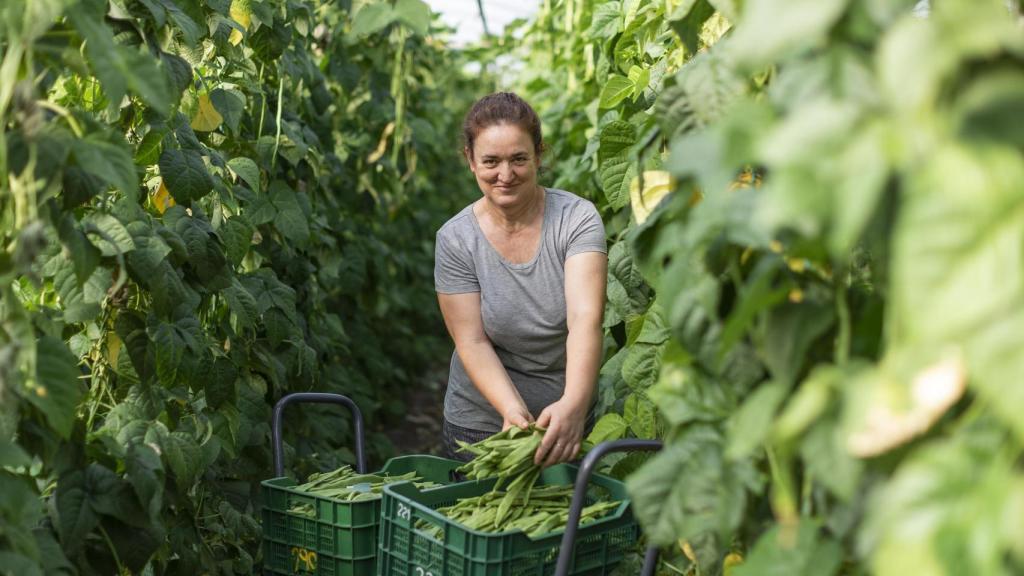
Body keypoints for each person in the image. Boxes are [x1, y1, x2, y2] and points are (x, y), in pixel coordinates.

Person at [434, 92, 608, 467]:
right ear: (470, 160)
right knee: (486, 524)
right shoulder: (456, 239)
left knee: (568, 524)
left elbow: (584, 319)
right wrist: (512, 411)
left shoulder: (576, 219)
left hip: (566, 419)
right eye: (491, 162)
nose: (505, 175)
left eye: (518, 159)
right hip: (483, 423)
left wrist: (574, 406)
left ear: (539, 155)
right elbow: (472, 340)